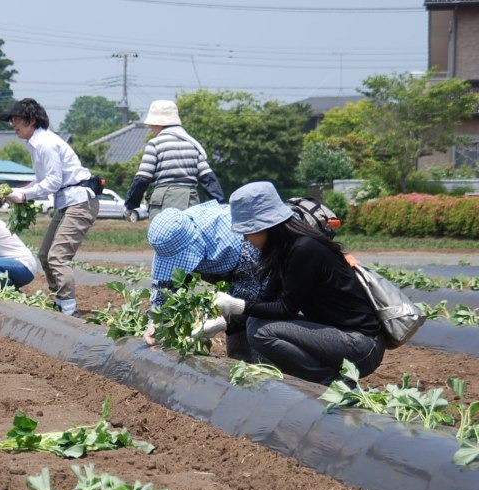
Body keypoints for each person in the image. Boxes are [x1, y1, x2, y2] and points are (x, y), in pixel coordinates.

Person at [214, 181, 385, 384]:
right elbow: (266, 301)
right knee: (255, 323)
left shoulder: (303, 250)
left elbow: (286, 309)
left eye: (247, 230)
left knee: (261, 331)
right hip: (342, 338)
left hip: (361, 344)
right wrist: (222, 323)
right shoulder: (286, 250)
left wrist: (237, 305)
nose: (245, 238)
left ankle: (332, 384)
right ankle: (320, 382)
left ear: (266, 226)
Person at [0, 98, 98, 317]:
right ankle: (60, 300)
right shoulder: (36, 144)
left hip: (79, 201)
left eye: (17, 120)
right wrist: (16, 191)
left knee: (58, 257)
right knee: (45, 255)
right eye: (12, 120)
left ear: (32, 120)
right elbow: (43, 181)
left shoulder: (45, 143)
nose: (14, 125)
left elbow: (52, 182)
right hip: (67, 201)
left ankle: (69, 310)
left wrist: (23, 195)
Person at [143, 202, 262, 360]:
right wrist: (156, 318)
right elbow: (167, 282)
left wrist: (223, 320)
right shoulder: (172, 236)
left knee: (255, 328)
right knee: (237, 344)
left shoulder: (233, 241)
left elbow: (252, 293)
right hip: (233, 269)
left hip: (260, 275)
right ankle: (239, 365)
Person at [123, 100, 225, 221]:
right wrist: (221, 203)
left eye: (151, 125)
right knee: (187, 238)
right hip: (190, 202)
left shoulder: (155, 144)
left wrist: (130, 206)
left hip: (162, 201)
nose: (151, 129)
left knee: (162, 238)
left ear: (157, 124)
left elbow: (142, 179)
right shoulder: (193, 145)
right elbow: (208, 178)